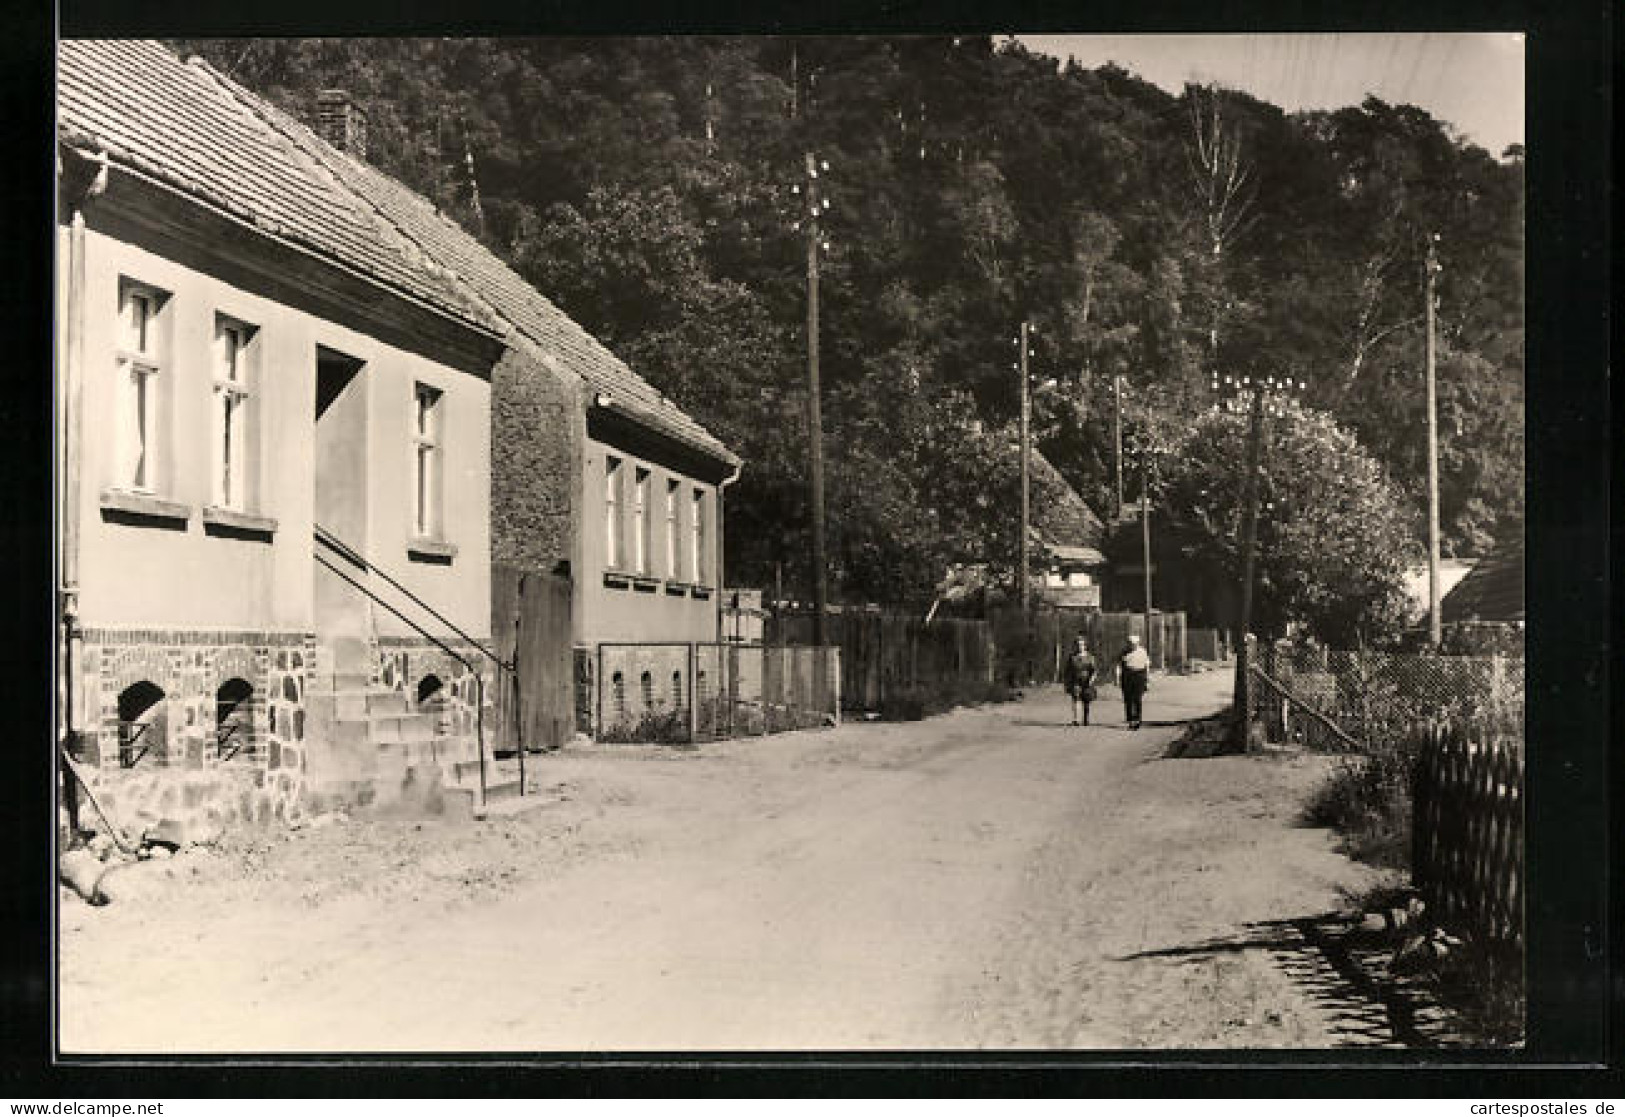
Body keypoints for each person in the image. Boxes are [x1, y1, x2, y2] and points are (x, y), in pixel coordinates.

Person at [1061, 636, 1098, 726]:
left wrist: (1091, 680)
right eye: (1078, 645)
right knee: (1075, 698)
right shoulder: (1072, 657)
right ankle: (1076, 719)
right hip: (1075, 681)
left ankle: (1085, 719)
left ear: (1085, 646)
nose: (1079, 647)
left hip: (1087, 681)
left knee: (1086, 701)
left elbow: (1094, 670)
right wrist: (1067, 682)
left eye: (1081, 645)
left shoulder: (1090, 657)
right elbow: (1067, 670)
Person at [1117, 633, 1151, 729]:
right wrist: (1117, 678)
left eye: (1135, 643)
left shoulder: (1142, 652)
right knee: (1128, 699)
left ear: (1138, 643)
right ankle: (1130, 720)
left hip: (1139, 675)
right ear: (1128, 643)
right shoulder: (1124, 652)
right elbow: (1119, 665)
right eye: (1131, 643)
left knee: (1137, 698)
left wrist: (1147, 680)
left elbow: (1147, 666)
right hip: (1127, 675)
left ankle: (1138, 719)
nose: (1133, 645)